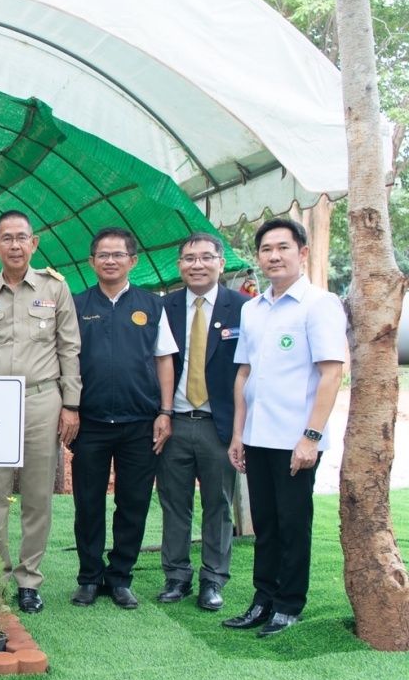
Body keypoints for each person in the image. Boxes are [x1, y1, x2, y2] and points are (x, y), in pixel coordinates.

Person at [225, 218, 346, 637]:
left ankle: (289, 604)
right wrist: (238, 433)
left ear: (302, 253)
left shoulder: (319, 304)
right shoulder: (252, 308)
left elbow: (331, 374)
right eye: (266, 249)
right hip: (257, 436)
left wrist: (310, 437)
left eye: (283, 248)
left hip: (296, 439)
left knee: (293, 523)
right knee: (265, 524)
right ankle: (263, 599)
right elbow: (244, 374)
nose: (274, 256)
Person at [0, 211, 81, 614]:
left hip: (42, 399)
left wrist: (71, 403)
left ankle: (29, 580)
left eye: (21, 237)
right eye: (6, 238)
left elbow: (69, 348)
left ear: (34, 243)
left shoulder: (55, 288)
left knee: (37, 492)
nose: (14, 245)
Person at [70, 227, 177, 609]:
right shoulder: (77, 305)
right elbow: (67, 360)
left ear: (133, 260)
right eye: (103, 254)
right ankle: (88, 577)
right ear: (92, 261)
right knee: (88, 503)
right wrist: (69, 408)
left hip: (140, 422)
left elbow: (164, 359)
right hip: (91, 422)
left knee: (133, 502)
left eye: (118, 254)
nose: (110, 261)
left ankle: (120, 577)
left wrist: (165, 411)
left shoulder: (152, 305)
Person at [155, 233, 248, 612]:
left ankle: (213, 579)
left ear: (221, 264)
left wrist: (241, 429)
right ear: (179, 265)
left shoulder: (242, 307)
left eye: (206, 257)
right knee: (174, 503)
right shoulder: (165, 307)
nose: (198, 265)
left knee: (218, 504)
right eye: (189, 258)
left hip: (218, 425)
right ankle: (176, 575)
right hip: (174, 421)